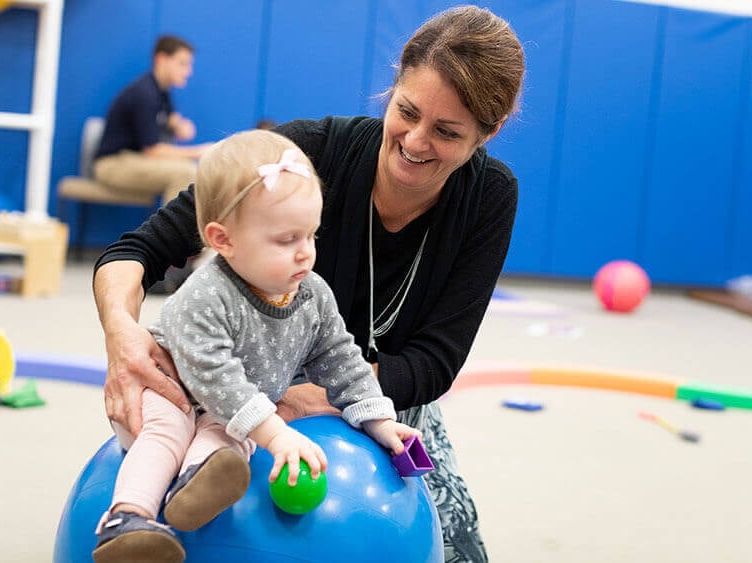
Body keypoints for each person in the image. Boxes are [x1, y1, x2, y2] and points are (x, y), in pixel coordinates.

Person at [93, 6, 524, 561]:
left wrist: (333, 400)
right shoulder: (300, 157)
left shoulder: (489, 197)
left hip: (375, 390)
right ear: (391, 88)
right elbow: (137, 251)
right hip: (232, 376)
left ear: (489, 131)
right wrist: (121, 337)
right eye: (407, 111)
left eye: (446, 132)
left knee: (459, 548)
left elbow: (433, 362)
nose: (415, 142)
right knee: (174, 457)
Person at [92, 130, 419, 562]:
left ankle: (196, 485)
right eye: (287, 240)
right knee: (170, 433)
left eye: (312, 236)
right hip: (167, 393)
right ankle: (126, 518)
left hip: (226, 415)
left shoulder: (311, 294)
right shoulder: (206, 294)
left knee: (231, 444)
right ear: (223, 240)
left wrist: (377, 419)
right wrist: (275, 433)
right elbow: (215, 377)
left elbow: (342, 359)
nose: (305, 254)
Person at [93, 35, 213, 205]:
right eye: (182, 64)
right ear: (161, 59)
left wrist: (179, 125)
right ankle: (168, 231)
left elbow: (170, 118)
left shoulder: (162, 91)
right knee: (184, 172)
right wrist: (199, 151)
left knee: (188, 170)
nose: (188, 71)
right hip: (112, 163)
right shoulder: (145, 94)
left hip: (134, 159)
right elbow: (152, 150)